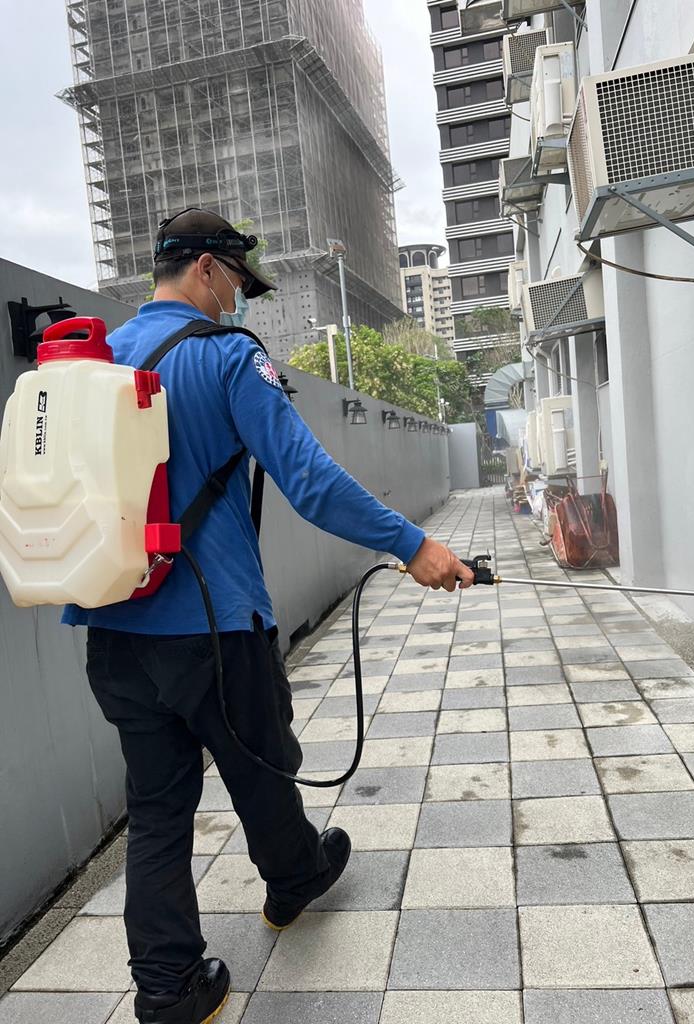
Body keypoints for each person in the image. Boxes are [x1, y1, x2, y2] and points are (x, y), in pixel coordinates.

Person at [64, 208, 475, 1024]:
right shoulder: (226, 357)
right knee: (261, 762)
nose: (238, 302)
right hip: (212, 626)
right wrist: (412, 543)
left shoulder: (98, 359)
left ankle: (168, 991)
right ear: (206, 268)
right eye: (237, 284)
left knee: (157, 810)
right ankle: (294, 880)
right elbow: (309, 481)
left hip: (113, 630)